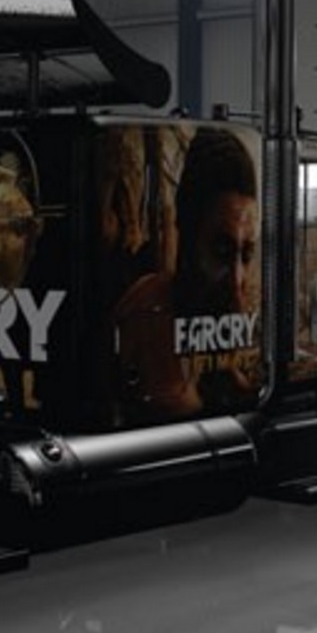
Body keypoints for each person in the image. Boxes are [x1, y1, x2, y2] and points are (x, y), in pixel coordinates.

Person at [113, 128, 261, 420]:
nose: (237, 280)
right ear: (188, 231)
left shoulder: (206, 306)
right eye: (221, 252)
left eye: (246, 254)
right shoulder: (150, 312)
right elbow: (181, 408)